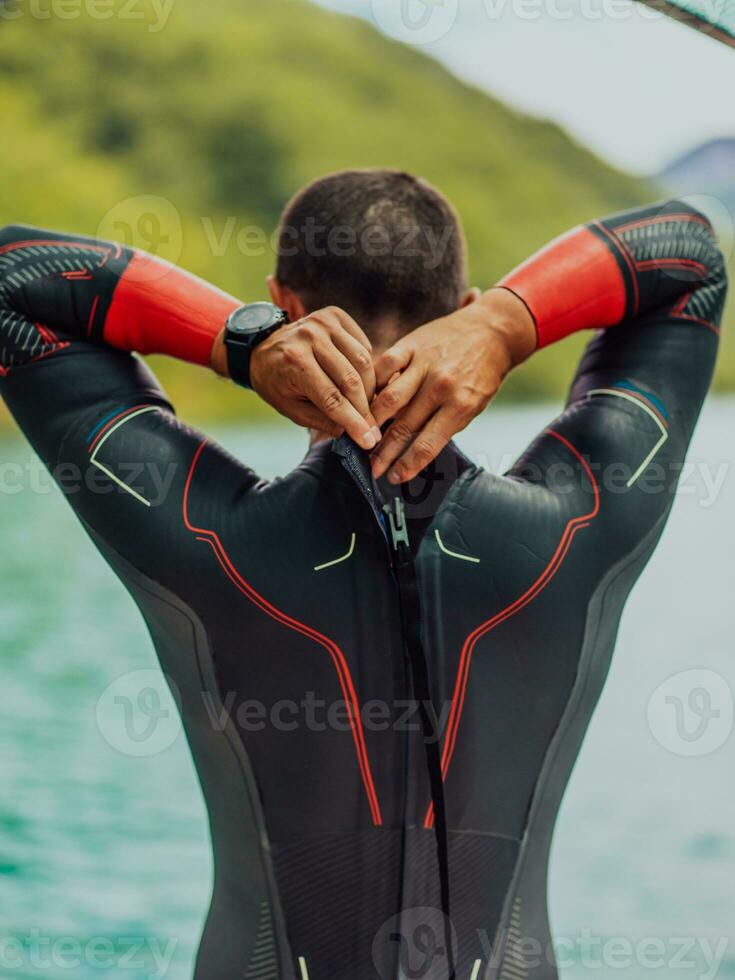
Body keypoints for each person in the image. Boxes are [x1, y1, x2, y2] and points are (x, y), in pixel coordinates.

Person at [0, 169, 727, 980]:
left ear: (286, 302)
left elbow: (15, 281)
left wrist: (241, 340)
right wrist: (507, 322)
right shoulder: (577, 527)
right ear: (458, 308)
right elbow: (688, 260)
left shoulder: (209, 544)